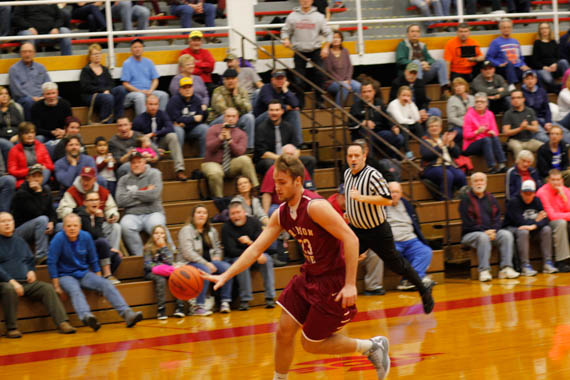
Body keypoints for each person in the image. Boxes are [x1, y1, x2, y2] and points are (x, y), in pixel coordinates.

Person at [203, 153, 391, 380]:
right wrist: (226, 275)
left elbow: (351, 238)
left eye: (282, 183)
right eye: (275, 183)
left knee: (310, 344)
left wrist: (351, 284)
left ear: (298, 181)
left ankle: (371, 347)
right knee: (283, 332)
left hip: (333, 283)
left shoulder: (315, 207)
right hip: (309, 276)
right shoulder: (282, 212)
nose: (277, 188)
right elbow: (255, 249)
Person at [343, 142, 434, 312]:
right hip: (357, 230)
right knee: (341, 259)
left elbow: (387, 200)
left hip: (377, 231)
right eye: (350, 156)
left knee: (397, 265)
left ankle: (423, 289)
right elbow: (351, 198)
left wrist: (362, 198)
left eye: (357, 155)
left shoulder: (373, 175)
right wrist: (350, 212)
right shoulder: (347, 173)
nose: (353, 159)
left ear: (364, 156)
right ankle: (339, 302)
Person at [48, 213, 143, 331]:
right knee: (74, 289)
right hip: (65, 275)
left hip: (84, 273)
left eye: (75, 225)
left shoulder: (86, 236)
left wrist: (99, 280)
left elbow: (93, 259)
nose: (72, 228)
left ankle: (127, 314)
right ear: (64, 227)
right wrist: (56, 285)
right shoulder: (58, 239)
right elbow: (52, 262)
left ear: (80, 226)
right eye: (69, 226)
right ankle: (86, 316)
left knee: (106, 283)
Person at [0, 212, 76, 338]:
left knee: (47, 288)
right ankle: (11, 328)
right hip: (5, 283)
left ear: (14, 223)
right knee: (9, 290)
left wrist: (31, 270)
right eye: (3, 221)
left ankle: (62, 322)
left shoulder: (20, 241)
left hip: (25, 282)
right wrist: (11, 281)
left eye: (9, 221)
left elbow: (30, 259)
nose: (7, 223)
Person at [459, 172, 520, 282]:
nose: (479, 183)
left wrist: (494, 231)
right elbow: (468, 223)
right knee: (483, 237)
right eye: (476, 181)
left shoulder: (491, 198)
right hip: (470, 234)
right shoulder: (465, 200)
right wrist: (484, 231)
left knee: (506, 235)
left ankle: (507, 268)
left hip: (490, 232)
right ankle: (484, 270)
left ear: (486, 182)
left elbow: (497, 218)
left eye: (481, 180)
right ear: (471, 183)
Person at [327, 184, 386, 296]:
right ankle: (337, 290)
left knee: (376, 249)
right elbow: (333, 239)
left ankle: (373, 287)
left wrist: (364, 247)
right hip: (335, 249)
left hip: (354, 245)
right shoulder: (328, 209)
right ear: (341, 196)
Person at [116, 152, 174, 256]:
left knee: (157, 226)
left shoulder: (154, 174)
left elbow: (153, 196)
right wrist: (144, 192)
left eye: (139, 162)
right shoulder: (124, 180)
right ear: (130, 164)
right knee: (125, 225)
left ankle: (171, 254)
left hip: (153, 213)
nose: (136, 165)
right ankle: (140, 256)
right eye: (133, 162)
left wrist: (132, 194)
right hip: (132, 215)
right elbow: (120, 201)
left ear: (144, 162)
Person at [178, 205, 233, 315]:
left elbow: (218, 247)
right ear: (193, 216)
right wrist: (206, 263)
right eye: (199, 212)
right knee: (205, 271)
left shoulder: (211, 230)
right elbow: (188, 253)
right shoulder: (186, 230)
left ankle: (225, 302)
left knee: (227, 268)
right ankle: (199, 306)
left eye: (204, 213)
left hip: (209, 262)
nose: (202, 215)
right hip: (188, 263)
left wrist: (217, 257)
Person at [222, 201, 275, 310]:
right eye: (233, 214)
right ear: (229, 215)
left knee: (267, 260)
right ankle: (245, 300)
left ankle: (270, 297)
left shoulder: (255, 222)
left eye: (238, 212)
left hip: (255, 255)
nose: (236, 216)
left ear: (244, 212)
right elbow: (231, 251)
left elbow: (263, 243)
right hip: (236, 257)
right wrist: (252, 255)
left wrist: (250, 244)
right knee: (241, 262)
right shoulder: (226, 228)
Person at [57, 166, 121, 252]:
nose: (85, 182)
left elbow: (111, 208)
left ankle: (113, 254)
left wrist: (112, 215)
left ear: (94, 180)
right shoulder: (72, 192)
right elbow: (62, 211)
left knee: (115, 227)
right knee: (60, 227)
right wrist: (81, 212)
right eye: (83, 179)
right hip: (80, 226)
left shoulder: (103, 192)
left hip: (97, 224)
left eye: (88, 180)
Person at [281, 0, 333, 107]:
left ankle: (319, 100)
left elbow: (328, 33)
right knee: (299, 79)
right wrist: (286, 39)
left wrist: (326, 47)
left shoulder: (319, 16)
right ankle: (301, 102)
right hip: (299, 50)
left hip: (315, 49)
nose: (305, 1)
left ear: (312, 1)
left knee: (320, 74)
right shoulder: (292, 16)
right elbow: (285, 31)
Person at [385, 182, 434, 290]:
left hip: (411, 240)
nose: (394, 195)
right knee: (394, 255)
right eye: (391, 192)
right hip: (393, 242)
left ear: (401, 194)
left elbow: (416, 224)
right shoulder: (381, 206)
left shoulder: (406, 204)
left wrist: (423, 241)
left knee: (425, 251)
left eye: (396, 192)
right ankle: (418, 278)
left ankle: (409, 281)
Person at [201, 108, 259, 199]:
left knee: (246, 159)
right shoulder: (213, 129)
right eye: (228, 116)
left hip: (231, 164)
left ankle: (255, 190)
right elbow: (209, 148)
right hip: (212, 162)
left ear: (237, 118)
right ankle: (219, 199)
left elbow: (240, 152)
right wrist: (220, 138)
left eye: (233, 116)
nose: (230, 119)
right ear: (224, 117)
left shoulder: (241, 133)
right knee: (215, 173)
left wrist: (230, 141)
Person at [504, 180, 557, 276]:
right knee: (523, 231)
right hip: (512, 228)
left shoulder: (537, 200)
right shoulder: (514, 202)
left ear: (534, 193)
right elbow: (519, 222)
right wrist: (536, 221)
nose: (528, 196)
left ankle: (547, 263)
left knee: (547, 229)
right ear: (521, 192)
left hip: (531, 228)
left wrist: (534, 225)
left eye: (530, 193)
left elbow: (545, 219)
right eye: (525, 193)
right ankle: (525, 265)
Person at [254, 100, 316, 178]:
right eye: (271, 110)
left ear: (282, 111)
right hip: (269, 160)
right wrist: (282, 159)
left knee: (310, 160)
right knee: (269, 163)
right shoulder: (261, 128)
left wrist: (292, 159)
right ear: (268, 112)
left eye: (277, 110)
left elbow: (297, 148)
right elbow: (263, 154)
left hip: (287, 159)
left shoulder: (289, 127)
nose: (274, 113)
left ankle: (308, 187)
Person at [132, 95, 188, 181]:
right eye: (150, 104)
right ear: (146, 105)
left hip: (160, 143)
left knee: (172, 136)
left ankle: (179, 170)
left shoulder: (162, 114)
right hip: (147, 149)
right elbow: (136, 141)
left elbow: (171, 128)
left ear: (158, 105)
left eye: (155, 104)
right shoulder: (138, 120)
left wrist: (154, 134)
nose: (153, 107)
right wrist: (155, 149)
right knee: (144, 140)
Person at [10, 164, 56, 265]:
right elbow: (36, 212)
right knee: (42, 219)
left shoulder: (46, 191)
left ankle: (56, 256)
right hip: (20, 231)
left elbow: (51, 211)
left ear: (42, 178)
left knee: (61, 227)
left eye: (39, 176)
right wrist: (38, 192)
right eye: (33, 176)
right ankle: (41, 256)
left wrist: (52, 222)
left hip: (39, 228)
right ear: (28, 178)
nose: (36, 179)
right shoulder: (21, 193)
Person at [76, 191, 122, 284]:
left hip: (96, 250)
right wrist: (99, 219)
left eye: (96, 200)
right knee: (102, 242)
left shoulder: (95, 215)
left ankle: (103, 279)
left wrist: (111, 248)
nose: (94, 202)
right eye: (91, 200)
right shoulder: (81, 215)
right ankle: (107, 275)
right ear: (85, 203)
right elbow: (93, 235)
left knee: (116, 257)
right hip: (83, 251)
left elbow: (100, 235)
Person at [349, 81, 403, 159]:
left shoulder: (379, 103)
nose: (367, 94)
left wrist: (393, 126)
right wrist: (363, 122)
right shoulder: (355, 107)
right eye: (364, 92)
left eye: (369, 91)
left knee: (399, 137)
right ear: (361, 94)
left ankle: (390, 158)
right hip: (363, 135)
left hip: (379, 133)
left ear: (374, 92)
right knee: (367, 133)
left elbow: (387, 118)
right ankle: (371, 162)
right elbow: (350, 125)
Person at [143, 225, 186, 319]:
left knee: (177, 277)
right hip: (151, 273)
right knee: (160, 280)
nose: (159, 235)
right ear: (152, 235)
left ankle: (180, 307)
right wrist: (158, 268)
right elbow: (147, 264)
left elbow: (169, 262)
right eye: (156, 233)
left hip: (166, 271)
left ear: (165, 236)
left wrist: (163, 247)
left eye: (162, 233)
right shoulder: (148, 248)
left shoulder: (167, 247)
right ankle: (161, 310)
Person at [420, 116, 466, 199]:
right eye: (431, 126)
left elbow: (457, 154)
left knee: (461, 175)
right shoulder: (425, 140)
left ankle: (464, 199)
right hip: (432, 167)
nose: (434, 128)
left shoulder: (444, 137)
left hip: (448, 165)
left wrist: (451, 143)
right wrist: (441, 145)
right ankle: (446, 200)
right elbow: (426, 155)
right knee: (447, 175)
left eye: (436, 126)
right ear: (428, 128)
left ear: (440, 128)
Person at [254, 70, 303, 147]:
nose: (280, 81)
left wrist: (285, 90)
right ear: (272, 80)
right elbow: (270, 104)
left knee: (294, 112)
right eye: (277, 79)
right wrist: (286, 107)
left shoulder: (285, 90)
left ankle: (297, 143)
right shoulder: (265, 88)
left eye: (282, 78)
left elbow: (296, 104)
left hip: (277, 118)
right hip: (260, 120)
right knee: (272, 112)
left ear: (285, 80)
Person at [80, 44, 126, 124]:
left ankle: (119, 117)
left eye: (99, 53)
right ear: (90, 56)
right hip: (91, 96)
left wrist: (107, 90)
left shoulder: (104, 69)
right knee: (107, 97)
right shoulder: (86, 70)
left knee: (121, 89)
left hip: (106, 94)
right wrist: (103, 91)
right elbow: (86, 87)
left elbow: (111, 83)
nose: (97, 56)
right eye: (95, 54)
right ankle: (106, 122)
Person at [396, 24, 450, 93]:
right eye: (412, 31)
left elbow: (431, 59)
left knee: (441, 61)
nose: (415, 33)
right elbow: (400, 61)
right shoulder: (402, 45)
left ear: (419, 34)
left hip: (423, 73)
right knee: (416, 62)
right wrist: (419, 64)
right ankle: (419, 90)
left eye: (417, 31)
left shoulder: (422, 45)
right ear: (408, 34)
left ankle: (445, 89)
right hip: (409, 75)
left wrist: (426, 63)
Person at [121, 39, 169, 116]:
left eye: (140, 47)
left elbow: (155, 80)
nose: (138, 49)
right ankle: (142, 122)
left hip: (149, 91)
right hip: (133, 93)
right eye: (135, 47)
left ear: (143, 48)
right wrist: (139, 91)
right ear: (131, 49)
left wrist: (150, 90)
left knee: (163, 95)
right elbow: (125, 84)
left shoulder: (149, 62)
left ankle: (160, 119)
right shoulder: (127, 63)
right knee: (140, 96)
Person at [210, 69, 255, 149]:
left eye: (232, 78)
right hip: (219, 121)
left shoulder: (242, 91)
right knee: (225, 117)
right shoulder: (218, 91)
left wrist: (236, 97)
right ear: (224, 81)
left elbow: (248, 109)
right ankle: (221, 147)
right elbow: (223, 110)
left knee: (249, 117)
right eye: (227, 79)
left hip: (237, 119)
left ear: (237, 80)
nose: (230, 81)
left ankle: (249, 148)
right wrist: (236, 114)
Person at [462, 93, 507, 173]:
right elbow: (466, 135)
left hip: (486, 143)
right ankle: (491, 167)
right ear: (474, 103)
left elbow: (495, 131)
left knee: (494, 138)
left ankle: (502, 164)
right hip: (471, 145)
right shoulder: (469, 115)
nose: (479, 104)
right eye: (477, 102)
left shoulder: (490, 114)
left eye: (482, 102)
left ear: (486, 103)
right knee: (486, 140)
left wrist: (492, 133)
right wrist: (477, 132)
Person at [166, 77, 209, 157]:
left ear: (193, 88)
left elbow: (200, 118)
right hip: (177, 129)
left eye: (189, 87)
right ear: (179, 90)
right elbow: (175, 119)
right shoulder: (174, 100)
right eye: (184, 87)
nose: (187, 90)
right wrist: (193, 119)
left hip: (191, 129)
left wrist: (185, 122)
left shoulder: (197, 100)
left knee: (205, 128)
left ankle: (203, 158)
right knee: (178, 130)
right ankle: (176, 160)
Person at [536, 169, 570, 272]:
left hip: (563, 218)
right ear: (548, 181)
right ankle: (561, 261)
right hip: (545, 223)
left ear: (562, 181)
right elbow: (551, 216)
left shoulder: (565, 190)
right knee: (561, 223)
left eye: (558, 179)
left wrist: (564, 197)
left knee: (563, 222)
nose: (556, 182)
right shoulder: (542, 192)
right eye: (553, 180)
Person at [8, 43, 51, 121]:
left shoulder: (41, 67)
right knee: (29, 102)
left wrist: (44, 96)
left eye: (30, 51)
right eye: (24, 52)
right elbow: (17, 90)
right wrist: (33, 98)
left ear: (34, 53)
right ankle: (31, 128)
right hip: (24, 98)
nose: (27, 54)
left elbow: (48, 84)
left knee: (59, 100)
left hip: (42, 97)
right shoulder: (14, 69)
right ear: (20, 53)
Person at [503, 89, 548, 160]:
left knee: (544, 147)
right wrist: (520, 128)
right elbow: (506, 132)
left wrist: (527, 127)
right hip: (514, 141)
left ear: (523, 99)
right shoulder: (508, 114)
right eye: (513, 98)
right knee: (517, 147)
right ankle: (518, 170)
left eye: (518, 97)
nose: (515, 100)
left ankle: (542, 168)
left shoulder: (530, 111)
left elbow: (536, 128)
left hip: (529, 140)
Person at [486, 18, 530, 88]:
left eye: (509, 27)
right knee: (509, 64)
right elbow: (488, 57)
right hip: (504, 68)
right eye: (504, 27)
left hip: (517, 68)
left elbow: (520, 58)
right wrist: (499, 64)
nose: (506, 29)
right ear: (500, 29)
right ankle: (512, 87)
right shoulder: (495, 42)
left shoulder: (516, 42)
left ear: (512, 28)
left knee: (531, 73)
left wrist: (524, 65)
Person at [8, 122, 54, 188]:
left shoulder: (41, 146)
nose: (30, 135)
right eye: (26, 133)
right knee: (45, 188)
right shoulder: (14, 150)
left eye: (32, 133)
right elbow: (12, 171)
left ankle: (36, 187)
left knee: (46, 171)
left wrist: (42, 166)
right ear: (20, 135)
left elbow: (51, 166)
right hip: (25, 179)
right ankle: (36, 187)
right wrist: (30, 170)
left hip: (40, 177)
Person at [323, 30, 361, 106]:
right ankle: (338, 110)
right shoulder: (327, 53)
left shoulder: (345, 51)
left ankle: (357, 108)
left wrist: (348, 80)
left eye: (338, 37)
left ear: (341, 39)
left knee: (358, 86)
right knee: (344, 86)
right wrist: (342, 82)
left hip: (346, 81)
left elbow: (350, 67)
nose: (336, 39)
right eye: (333, 38)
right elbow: (329, 70)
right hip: (331, 82)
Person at [531, 23, 569, 92]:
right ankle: (558, 88)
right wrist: (544, 67)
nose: (544, 30)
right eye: (542, 28)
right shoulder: (537, 43)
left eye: (546, 28)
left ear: (549, 30)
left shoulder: (553, 42)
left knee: (563, 62)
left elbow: (559, 56)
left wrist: (555, 64)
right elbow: (534, 61)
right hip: (543, 69)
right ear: (539, 31)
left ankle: (568, 82)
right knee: (548, 79)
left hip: (555, 68)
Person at [386, 85, 422, 160]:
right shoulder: (393, 104)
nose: (406, 98)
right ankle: (407, 152)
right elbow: (400, 120)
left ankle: (424, 146)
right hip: (395, 127)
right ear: (398, 96)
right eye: (403, 95)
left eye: (408, 96)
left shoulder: (410, 104)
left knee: (417, 125)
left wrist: (411, 104)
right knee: (405, 126)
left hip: (407, 125)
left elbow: (417, 118)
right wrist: (412, 121)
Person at [446, 77, 474, 147]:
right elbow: (451, 118)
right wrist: (464, 124)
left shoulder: (472, 98)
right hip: (456, 126)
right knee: (461, 133)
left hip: (471, 124)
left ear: (465, 86)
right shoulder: (452, 100)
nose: (458, 88)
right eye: (456, 86)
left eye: (460, 85)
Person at [0, 87, 24, 161]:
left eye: (6, 93)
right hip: (1, 138)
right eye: (1, 94)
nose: (4, 96)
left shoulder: (16, 107)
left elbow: (22, 125)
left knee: (19, 144)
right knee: (9, 145)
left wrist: (18, 135)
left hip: (16, 135)